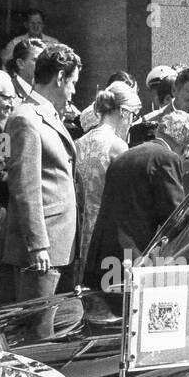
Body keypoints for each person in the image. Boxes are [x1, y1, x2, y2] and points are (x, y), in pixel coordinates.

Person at [4, 44, 81, 317]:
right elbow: (24, 187)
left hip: (59, 247)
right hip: (41, 251)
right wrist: (37, 245)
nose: (73, 91)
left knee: (59, 329)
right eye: (72, 83)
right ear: (60, 78)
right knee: (36, 333)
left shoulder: (45, 115)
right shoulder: (25, 119)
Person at [84, 110, 189, 285]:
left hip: (102, 252)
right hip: (132, 258)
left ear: (159, 131)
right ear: (184, 145)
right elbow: (175, 215)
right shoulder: (167, 158)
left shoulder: (125, 155)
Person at [76, 81, 140, 267]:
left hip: (79, 231)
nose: (131, 123)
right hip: (106, 232)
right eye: (133, 116)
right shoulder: (118, 146)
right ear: (123, 112)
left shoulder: (78, 142)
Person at [8, 38, 46, 102]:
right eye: (37, 60)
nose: (43, 65)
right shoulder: (9, 90)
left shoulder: (45, 90)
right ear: (20, 64)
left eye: (44, 61)